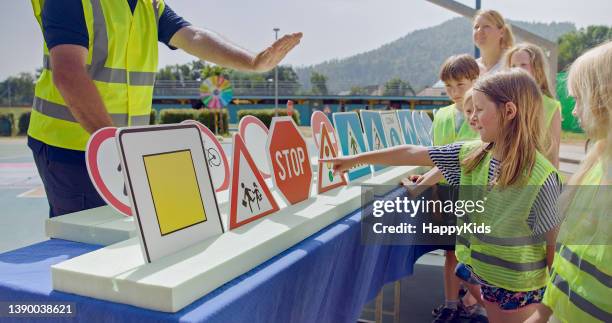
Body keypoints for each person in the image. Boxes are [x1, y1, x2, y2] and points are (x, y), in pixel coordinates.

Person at [326, 69, 562, 322]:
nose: (473, 117)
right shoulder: (473, 154)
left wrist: (550, 309)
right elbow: (413, 153)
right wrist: (354, 160)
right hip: (486, 278)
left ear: (509, 112)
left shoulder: (541, 177)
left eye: (479, 109)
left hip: (517, 291)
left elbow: (554, 252)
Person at [29, 0, 301, 217]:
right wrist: (115, 146)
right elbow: (68, 73)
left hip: (119, 147)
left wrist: (254, 62)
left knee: (120, 242)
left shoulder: (149, 5)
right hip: (70, 149)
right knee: (85, 247)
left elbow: (193, 36)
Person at [526, 41, 612, 323]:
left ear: (604, 98)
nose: (574, 111)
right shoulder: (595, 164)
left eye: (578, 99)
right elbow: (566, 265)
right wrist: (540, 315)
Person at [401, 54, 481, 323]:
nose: (455, 92)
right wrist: (424, 182)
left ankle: (474, 303)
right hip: (444, 194)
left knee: (471, 256)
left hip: (474, 196)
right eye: (449, 87)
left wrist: (425, 182)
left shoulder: (482, 115)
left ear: (475, 80)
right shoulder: (442, 115)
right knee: (450, 253)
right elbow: (434, 156)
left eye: (461, 85)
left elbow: (459, 161)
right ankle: (450, 305)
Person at [506, 43, 562, 167]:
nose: (516, 69)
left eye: (523, 65)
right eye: (513, 66)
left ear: (537, 69)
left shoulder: (551, 106)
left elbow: (553, 155)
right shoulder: (503, 102)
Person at [473, 10, 514, 75]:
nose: (479, 31)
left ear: (502, 32)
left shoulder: (513, 63)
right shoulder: (471, 68)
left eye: (486, 26)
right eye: (476, 27)